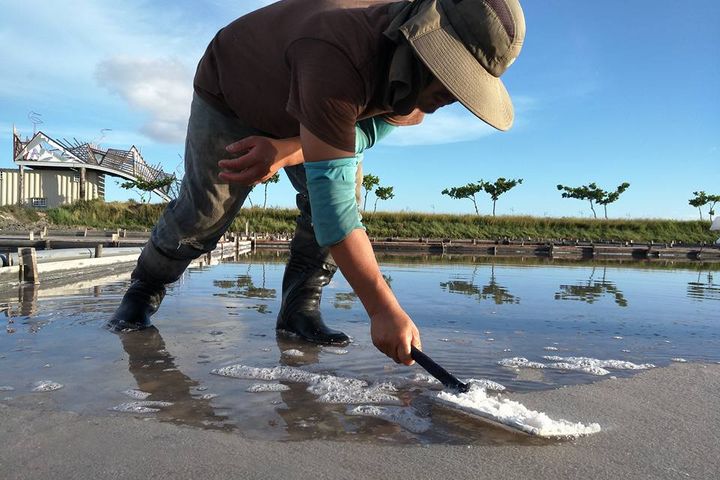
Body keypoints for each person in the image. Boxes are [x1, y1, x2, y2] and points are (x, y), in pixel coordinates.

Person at [108, 0, 526, 366]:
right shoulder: (343, 49)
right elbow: (335, 209)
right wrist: (382, 309)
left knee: (340, 198)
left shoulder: (418, 89)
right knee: (204, 213)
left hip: (316, 108)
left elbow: (365, 133)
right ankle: (143, 292)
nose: (452, 96)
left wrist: (286, 148)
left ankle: (299, 310)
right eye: (452, 78)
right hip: (235, 93)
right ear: (422, 48)